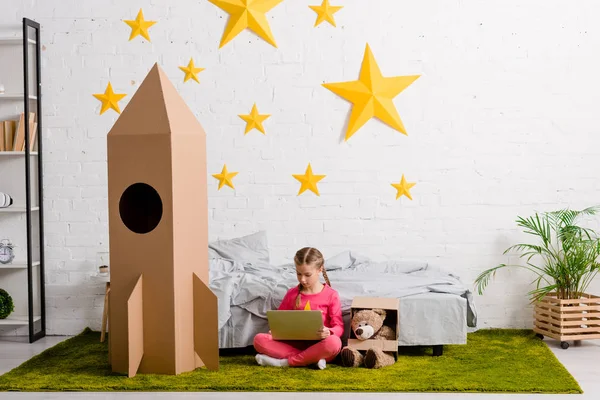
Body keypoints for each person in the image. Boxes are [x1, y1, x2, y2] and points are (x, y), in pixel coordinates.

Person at [253, 247, 343, 370]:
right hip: (293, 345)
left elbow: (339, 326)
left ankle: (284, 362)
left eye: (307, 275)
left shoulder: (331, 295)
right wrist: (275, 331)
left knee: (334, 343)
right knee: (259, 340)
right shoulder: (292, 294)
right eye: (298, 274)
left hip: (320, 345)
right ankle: (310, 359)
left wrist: (329, 332)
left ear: (319, 269)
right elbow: (279, 319)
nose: (302, 279)